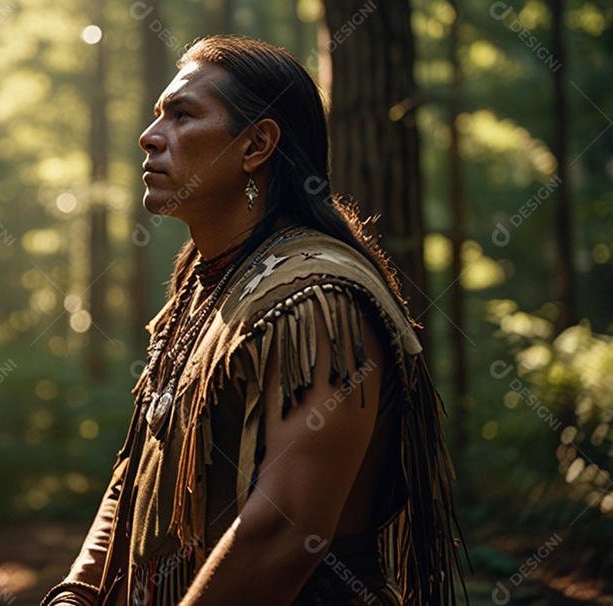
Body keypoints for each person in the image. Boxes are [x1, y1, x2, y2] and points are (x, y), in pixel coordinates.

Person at [41, 35, 466, 605]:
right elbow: (135, 470)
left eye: (182, 113)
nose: (149, 135)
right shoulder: (205, 285)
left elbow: (283, 534)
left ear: (257, 144)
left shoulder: (316, 299)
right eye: (157, 115)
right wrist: (77, 595)